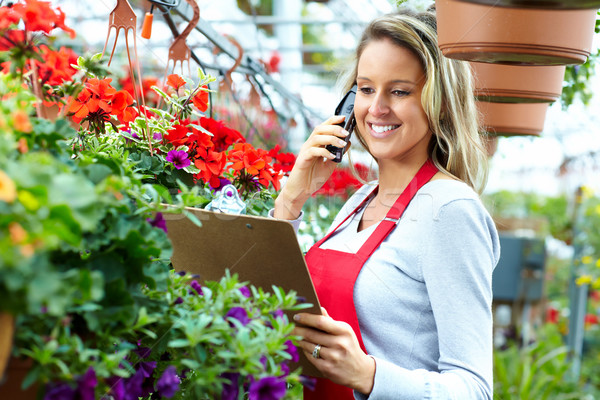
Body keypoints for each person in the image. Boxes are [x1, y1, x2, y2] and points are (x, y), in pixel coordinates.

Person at [272, 7, 500, 400]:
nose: (376, 108)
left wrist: (367, 374)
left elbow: (474, 389)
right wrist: (292, 198)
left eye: (399, 91)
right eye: (365, 88)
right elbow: (273, 299)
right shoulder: (359, 203)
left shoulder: (449, 211)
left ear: (440, 101)